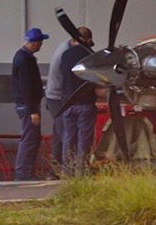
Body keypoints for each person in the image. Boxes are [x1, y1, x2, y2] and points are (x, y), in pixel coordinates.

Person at [57, 26, 98, 174]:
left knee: (68, 138)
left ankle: (67, 171)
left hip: (68, 103)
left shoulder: (65, 55)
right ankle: (82, 172)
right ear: (89, 40)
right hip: (86, 103)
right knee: (84, 140)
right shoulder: (90, 56)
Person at [11, 28, 47, 181]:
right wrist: (33, 110)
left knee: (32, 138)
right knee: (29, 138)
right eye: (41, 42)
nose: (41, 45)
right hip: (27, 106)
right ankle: (23, 174)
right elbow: (26, 86)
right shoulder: (25, 59)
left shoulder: (22, 56)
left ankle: (25, 172)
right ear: (36, 43)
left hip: (25, 105)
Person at [44, 36, 70, 172]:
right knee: (66, 133)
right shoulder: (67, 53)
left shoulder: (63, 46)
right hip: (57, 98)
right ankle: (68, 169)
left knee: (59, 136)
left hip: (53, 96)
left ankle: (54, 170)